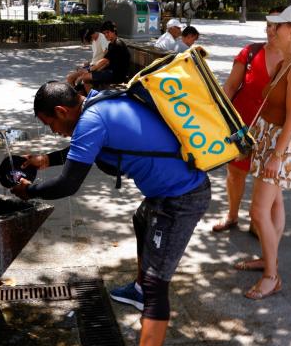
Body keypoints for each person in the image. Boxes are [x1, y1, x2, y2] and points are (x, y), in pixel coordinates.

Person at [11, 82, 210, 345]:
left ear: (61, 111)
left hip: (181, 197)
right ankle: (138, 290)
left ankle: (146, 297)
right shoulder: (99, 101)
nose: (54, 131)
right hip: (167, 190)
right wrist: (47, 159)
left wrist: (30, 191)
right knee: (141, 220)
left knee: (156, 284)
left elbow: (67, 184)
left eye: (50, 124)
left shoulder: (91, 121)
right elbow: (90, 146)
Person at [241, 4, 291, 300]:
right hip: (269, 138)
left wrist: (278, 154)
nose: (272, 30)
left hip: (278, 144)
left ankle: (272, 275)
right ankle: (267, 258)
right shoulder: (289, 60)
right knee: (273, 206)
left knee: (258, 211)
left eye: (279, 26)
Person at [211, 7, 285, 237]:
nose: (270, 30)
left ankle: (258, 219)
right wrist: (219, 116)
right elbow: (231, 86)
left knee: (267, 177)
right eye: (268, 24)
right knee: (235, 173)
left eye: (277, 25)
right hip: (243, 125)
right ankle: (232, 215)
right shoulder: (251, 52)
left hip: (274, 129)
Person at [75, 21, 130, 92]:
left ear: (114, 31)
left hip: (117, 75)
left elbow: (105, 61)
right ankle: (91, 97)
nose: (106, 35)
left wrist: (89, 70)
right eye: (104, 33)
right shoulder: (111, 44)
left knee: (85, 77)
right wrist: (94, 70)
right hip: (110, 72)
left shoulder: (117, 44)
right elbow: (106, 62)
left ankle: (92, 100)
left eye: (108, 32)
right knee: (85, 78)